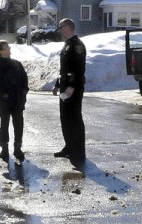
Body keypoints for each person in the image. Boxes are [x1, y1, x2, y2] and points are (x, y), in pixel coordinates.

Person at [0, 40, 29, 162]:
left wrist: (23, 92)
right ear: (0, 51)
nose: (9, 48)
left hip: (18, 101)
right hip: (3, 102)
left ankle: (18, 147)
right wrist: (3, 95)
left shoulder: (17, 64)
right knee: (4, 124)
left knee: (18, 124)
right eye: (6, 47)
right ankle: (4, 148)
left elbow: (24, 80)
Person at [52, 18, 86, 163]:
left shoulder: (77, 45)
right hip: (65, 87)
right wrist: (58, 84)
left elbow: (78, 69)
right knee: (65, 117)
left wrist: (72, 86)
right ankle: (69, 146)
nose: (59, 30)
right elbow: (64, 69)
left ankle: (78, 150)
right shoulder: (67, 45)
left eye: (61, 27)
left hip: (74, 88)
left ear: (67, 27)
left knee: (75, 118)